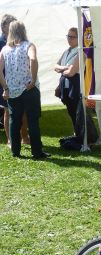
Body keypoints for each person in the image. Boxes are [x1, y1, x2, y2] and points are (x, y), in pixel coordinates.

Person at [0, 20, 49, 158]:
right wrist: (33, 80)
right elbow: (33, 59)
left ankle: (15, 151)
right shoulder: (29, 45)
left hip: (13, 91)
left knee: (14, 121)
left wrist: (5, 87)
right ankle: (37, 152)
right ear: (24, 31)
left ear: (10, 32)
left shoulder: (5, 49)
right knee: (32, 121)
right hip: (29, 89)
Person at [0, 14, 30, 147]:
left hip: (20, 81)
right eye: (11, 24)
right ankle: (11, 139)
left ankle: (24, 137)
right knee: (8, 110)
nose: (14, 27)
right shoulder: (1, 42)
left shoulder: (18, 40)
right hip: (4, 82)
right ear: (4, 26)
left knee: (23, 110)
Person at [54, 27, 81, 136]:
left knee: (76, 111)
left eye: (72, 37)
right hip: (65, 85)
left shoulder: (80, 51)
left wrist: (64, 69)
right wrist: (66, 67)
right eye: (68, 36)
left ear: (79, 38)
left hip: (74, 85)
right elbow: (55, 66)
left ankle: (81, 134)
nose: (69, 39)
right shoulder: (66, 51)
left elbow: (71, 73)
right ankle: (77, 133)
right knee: (71, 110)